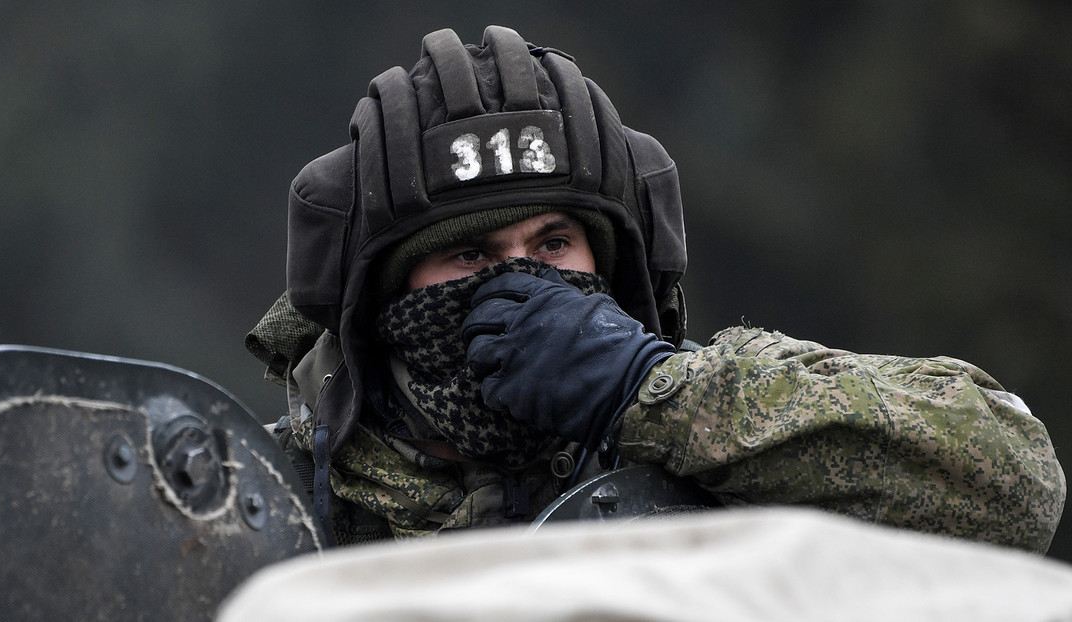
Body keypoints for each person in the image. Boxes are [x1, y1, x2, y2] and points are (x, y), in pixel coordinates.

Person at [246, 25, 1065, 552]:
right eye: (468, 255)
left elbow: (1016, 488)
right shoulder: (270, 503)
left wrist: (651, 395)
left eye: (555, 244)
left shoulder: (722, 443)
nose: (520, 282)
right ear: (386, 302)